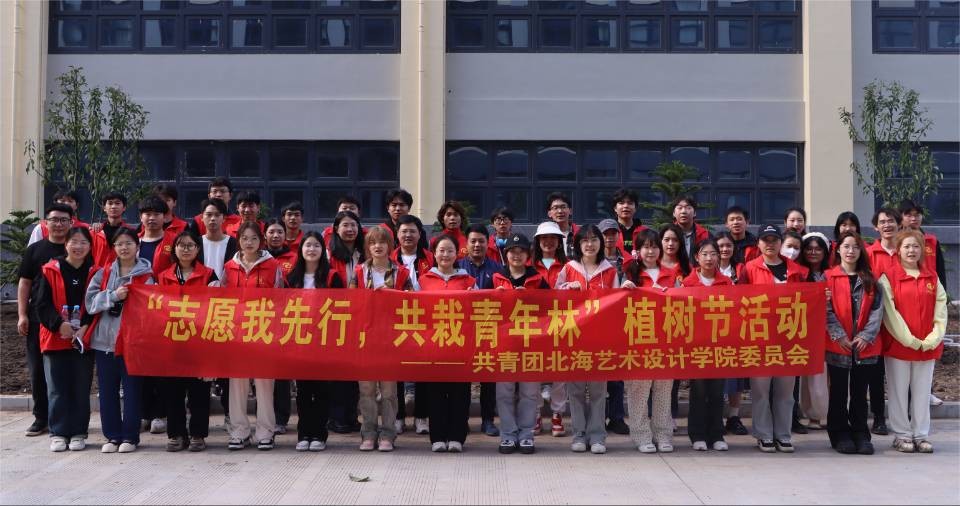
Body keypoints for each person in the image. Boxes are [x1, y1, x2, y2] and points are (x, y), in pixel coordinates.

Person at [85, 227, 155, 453]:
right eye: (119, 244)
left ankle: (130, 437)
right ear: (113, 248)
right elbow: (90, 303)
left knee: (133, 391)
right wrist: (114, 295)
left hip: (133, 343)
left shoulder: (147, 276)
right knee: (107, 392)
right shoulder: (103, 273)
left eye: (129, 243)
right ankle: (112, 436)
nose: (124, 248)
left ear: (137, 246)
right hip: (105, 342)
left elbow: (154, 310)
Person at [878, 229, 948, 454]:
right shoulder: (888, 277)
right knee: (898, 391)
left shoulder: (931, 277)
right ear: (898, 250)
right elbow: (890, 312)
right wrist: (909, 339)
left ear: (922, 250)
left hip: (927, 345)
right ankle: (902, 435)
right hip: (899, 346)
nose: (911, 250)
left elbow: (941, 309)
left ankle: (921, 434)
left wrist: (933, 338)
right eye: (907, 246)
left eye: (916, 246)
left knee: (922, 391)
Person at [742, 224, 809, 453]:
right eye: (765, 240)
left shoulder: (796, 271)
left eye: (774, 240)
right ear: (758, 243)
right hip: (759, 337)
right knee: (760, 390)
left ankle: (783, 435)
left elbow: (808, 300)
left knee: (785, 391)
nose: (770, 244)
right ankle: (763, 434)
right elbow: (739, 300)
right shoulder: (749, 269)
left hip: (789, 338)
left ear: (781, 242)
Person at [555, 225, 619, 454]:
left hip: (600, 338)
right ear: (578, 244)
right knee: (575, 390)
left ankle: (598, 436)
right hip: (574, 337)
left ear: (601, 243)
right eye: (585, 240)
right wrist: (566, 288)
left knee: (599, 390)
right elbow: (554, 298)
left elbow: (617, 303)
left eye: (594, 240)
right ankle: (579, 435)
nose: (589, 244)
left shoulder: (609, 271)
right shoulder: (569, 268)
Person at [349, 226, 413, 452]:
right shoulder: (359, 271)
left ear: (390, 246)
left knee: (388, 391)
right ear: (368, 247)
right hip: (364, 338)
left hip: (390, 339)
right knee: (366, 389)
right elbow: (350, 303)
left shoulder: (401, 273)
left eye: (382, 242)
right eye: (373, 242)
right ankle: (368, 433)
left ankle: (388, 434)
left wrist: (391, 298)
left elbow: (411, 303)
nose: (377, 246)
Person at [222, 222, 284, 450]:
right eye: (244, 238)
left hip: (264, 330)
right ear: (238, 240)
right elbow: (222, 297)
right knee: (237, 382)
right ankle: (239, 431)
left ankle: (265, 431)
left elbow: (281, 298)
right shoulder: (229, 266)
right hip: (236, 332)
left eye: (254, 238)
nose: (249, 243)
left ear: (261, 241)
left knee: (264, 382)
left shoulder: (273, 265)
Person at [35, 226, 97, 452]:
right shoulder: (50, 269)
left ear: (90, 246)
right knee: (57, 388)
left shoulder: (96, 272)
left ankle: (79, 432)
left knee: (81, 387)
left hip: (83, 338)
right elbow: (41, 303)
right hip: (55, 337)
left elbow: (96, 305)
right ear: (66, 244)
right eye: (74, 242)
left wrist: (86, 327)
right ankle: (59, 432)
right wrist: (58, 324)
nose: (78, 246)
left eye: (83, 242)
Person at [156, 230, 218, 452]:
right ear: (174, 249)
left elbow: (216, 306)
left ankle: (198, 435)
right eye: (181, 245)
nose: (186, 249)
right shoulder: (163, 276)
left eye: (190, 245)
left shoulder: (209, 275)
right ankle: (176, 434)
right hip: (171, 341)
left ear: (197, 249)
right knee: (173, 391)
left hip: (199, 342)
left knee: (199, 391)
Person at [825, 232, 884, 455]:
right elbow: (825, 310)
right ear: (838, 250)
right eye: (846, 246)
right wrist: (838, 335)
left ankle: (860, 433)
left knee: (860, 392)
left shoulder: (870, 278)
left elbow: (878, 310)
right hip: (838, 344)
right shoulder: (828, 277)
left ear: (861, 251)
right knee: (838, 391)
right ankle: (839, 433)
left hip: (865, 346)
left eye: (856, 247)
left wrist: (866, 336)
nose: (851, 251)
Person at [17, 204, 73, 437]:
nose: (58, 224)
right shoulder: (35, 250)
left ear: (71, 222)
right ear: (45, 223)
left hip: (70, 318)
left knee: (68, 369)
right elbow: (25, 283)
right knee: (38, 369)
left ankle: (69, 417)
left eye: (63, 220)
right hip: (38, 317)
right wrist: (22, 314)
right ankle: (41, 417)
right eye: (54, 220)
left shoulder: (77, 248)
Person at [286, 231, 344, 452]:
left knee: (321, 390)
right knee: (302, 390)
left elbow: (341, 309)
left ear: (323, 250)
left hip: (324, 341)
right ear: (301, 250)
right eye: (308, 245)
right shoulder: (292, 277)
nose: (312, 250)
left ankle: (319, 434)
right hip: (299, 340)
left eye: (316, 246)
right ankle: (304, 434)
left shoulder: (332, 277)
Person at [492, 233, 549, 454]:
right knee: (504, 392)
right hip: (504, 344)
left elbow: (550, 309)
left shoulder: (538, 280)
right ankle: (507, 434)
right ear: (506, 254)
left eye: (521, 251)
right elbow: (480, 307)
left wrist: (532, 299)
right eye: (512, 252)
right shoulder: (496, 278)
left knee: (529, 393)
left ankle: (526, 434)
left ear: (528, 255)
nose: (516, 256)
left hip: (531, 344)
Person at [419, 234, 477, 453]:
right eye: (441, 250)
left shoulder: (468, 281)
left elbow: (480, 309)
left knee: (460, 393)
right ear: (434, 254)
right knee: (435, 393)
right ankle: (437, 437)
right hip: (433, 344)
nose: (445, 255)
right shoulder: (423, 280)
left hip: (460, 344)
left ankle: (456, 437)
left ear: (457, 254)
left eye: (450, 250)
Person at [623, 229, 679, 454]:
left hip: (665, 339)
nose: (650, 251)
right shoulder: (629, 275)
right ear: (637, 250)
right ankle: (641, 435)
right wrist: (625, 290)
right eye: (645, 247)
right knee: (638, 389)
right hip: (638, 340)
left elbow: (682, 304)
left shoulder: (671, 275)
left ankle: (663, 435)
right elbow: (616, 306)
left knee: (664, 389)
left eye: (654, 246)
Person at [682, 238, 732, 451]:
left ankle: (717, 434)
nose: (709, 258)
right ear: (696, 257)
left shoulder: (726, 283)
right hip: (697, 345)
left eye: (713, 254)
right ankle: (698, 435)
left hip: (719, 344)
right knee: (699, 391)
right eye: (704, 254)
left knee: (718, 391)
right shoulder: (687, 283)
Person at [136, 196, 176, 434]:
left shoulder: (173, 241)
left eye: (156, 214)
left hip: (165, 311)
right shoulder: (132, 240)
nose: (151, 218)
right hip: (138, 312)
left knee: (163, 364)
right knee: (141, 363)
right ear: (140, 217)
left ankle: (161, 413)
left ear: (165, 217)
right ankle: (144, 412)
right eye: (147, 213)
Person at [457, 224, 501, 437]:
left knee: (488, 377)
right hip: (463, 330)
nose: (477, 245)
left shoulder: (497, 268)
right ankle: (461, 419)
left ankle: (488, 420)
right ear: (466, 244)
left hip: (489, 329)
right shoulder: (457, 267)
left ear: (487, 243)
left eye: (481, 241)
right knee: (463, 378)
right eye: (473, 241)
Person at [326, 210, 364, 434]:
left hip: (360, 319)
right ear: (336, 229)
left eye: (353, 225)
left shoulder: (364, 252)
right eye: (345, 225)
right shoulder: (329, 255)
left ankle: (351, 416)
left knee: (354, 372)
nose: (350, 230)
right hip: (335, 319)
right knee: (337, 371)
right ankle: (336, 417)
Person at [530, 220, 569, 436]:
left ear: (559, 241)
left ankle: (557, 413)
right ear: (537, 241)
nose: (548, 242)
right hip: (534, 325)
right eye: (544, 238)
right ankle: (536, 413)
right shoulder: (528, 265)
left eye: (553, 238)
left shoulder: (568, 266)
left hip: (561, 323)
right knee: (534, 368)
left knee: (559, 370)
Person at [715, 231, 749, 435]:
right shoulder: (706, 269)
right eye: (720, 246)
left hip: (737, 329)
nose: (725, 249)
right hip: (712, 330)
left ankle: (734, 416)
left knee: (736, 377)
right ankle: (716, 417)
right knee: (715, 376)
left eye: (728, 245)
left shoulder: (741, 269)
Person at [797, 232, 831, 431]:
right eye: (809, 249)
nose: (813, 252)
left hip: (831, 328)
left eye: (818, 249)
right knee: (812, 374)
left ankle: (831, 413)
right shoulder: (799, 274)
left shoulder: (833, 273)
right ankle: (813, 414)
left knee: (830, 374)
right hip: (807, 329)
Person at [599, 218, 629, 436]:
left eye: (613, 233)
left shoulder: (627, 261)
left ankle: (617, 418)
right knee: (599, 374)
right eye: (605, 234)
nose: (609, 237)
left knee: (617, 375)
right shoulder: (592, 259)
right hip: (596, 321)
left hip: (620, 321)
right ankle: (599, 417)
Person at [898, 199, 947, 289]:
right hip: (901, 289)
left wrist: (942, 292)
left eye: (917, 215)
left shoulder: (932, 241)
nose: (914, 219)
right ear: (900, 218)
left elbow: (940, 271)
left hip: (929, 289)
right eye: (909, 215)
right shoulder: (894, 241)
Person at [89, 192, 134, 268]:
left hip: (122, 273)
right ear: (104, 208)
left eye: (117, 203)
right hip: (98, 274)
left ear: (124, 207)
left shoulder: (131, 232)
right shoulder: (95, 232)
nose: (113, 206)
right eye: (110, 203)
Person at [391, 214, 433, 291]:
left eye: (412, 231)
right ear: (397, 234)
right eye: (404, 231)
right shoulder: (390, 258)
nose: (408, 235)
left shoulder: (431, 258)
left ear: (419, 234)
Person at [611, 188, 646, 255]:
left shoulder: (644, 232)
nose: (626, 206)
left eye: (630, 203)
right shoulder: (608, 232)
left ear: (635, 208)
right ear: (615, 208)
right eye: (621, 203)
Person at [546, 193, 579, 258]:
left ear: (570, 211)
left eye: (563, 207)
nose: (560, 211)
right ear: (549, 213)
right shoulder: (544, 236)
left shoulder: (580, 234)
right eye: (555, 208)